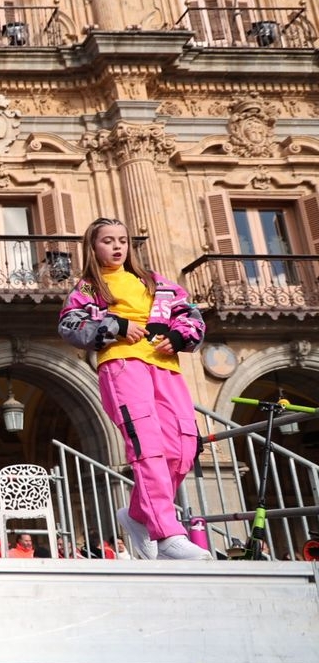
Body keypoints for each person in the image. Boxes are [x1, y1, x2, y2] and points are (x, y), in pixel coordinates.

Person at [58, 217, 211, 561]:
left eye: (122, 241)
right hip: (122, 366)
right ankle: (168, 533)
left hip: (166, 368)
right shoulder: (88, 288)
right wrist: (116, 325)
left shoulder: (157, 283)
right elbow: (70, 325)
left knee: (184, 448)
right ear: (93, 247)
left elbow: (192, 316)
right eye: (107, 241)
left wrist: (178, 336)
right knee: (148, 447)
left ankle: (139, 515)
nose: (116, 247)